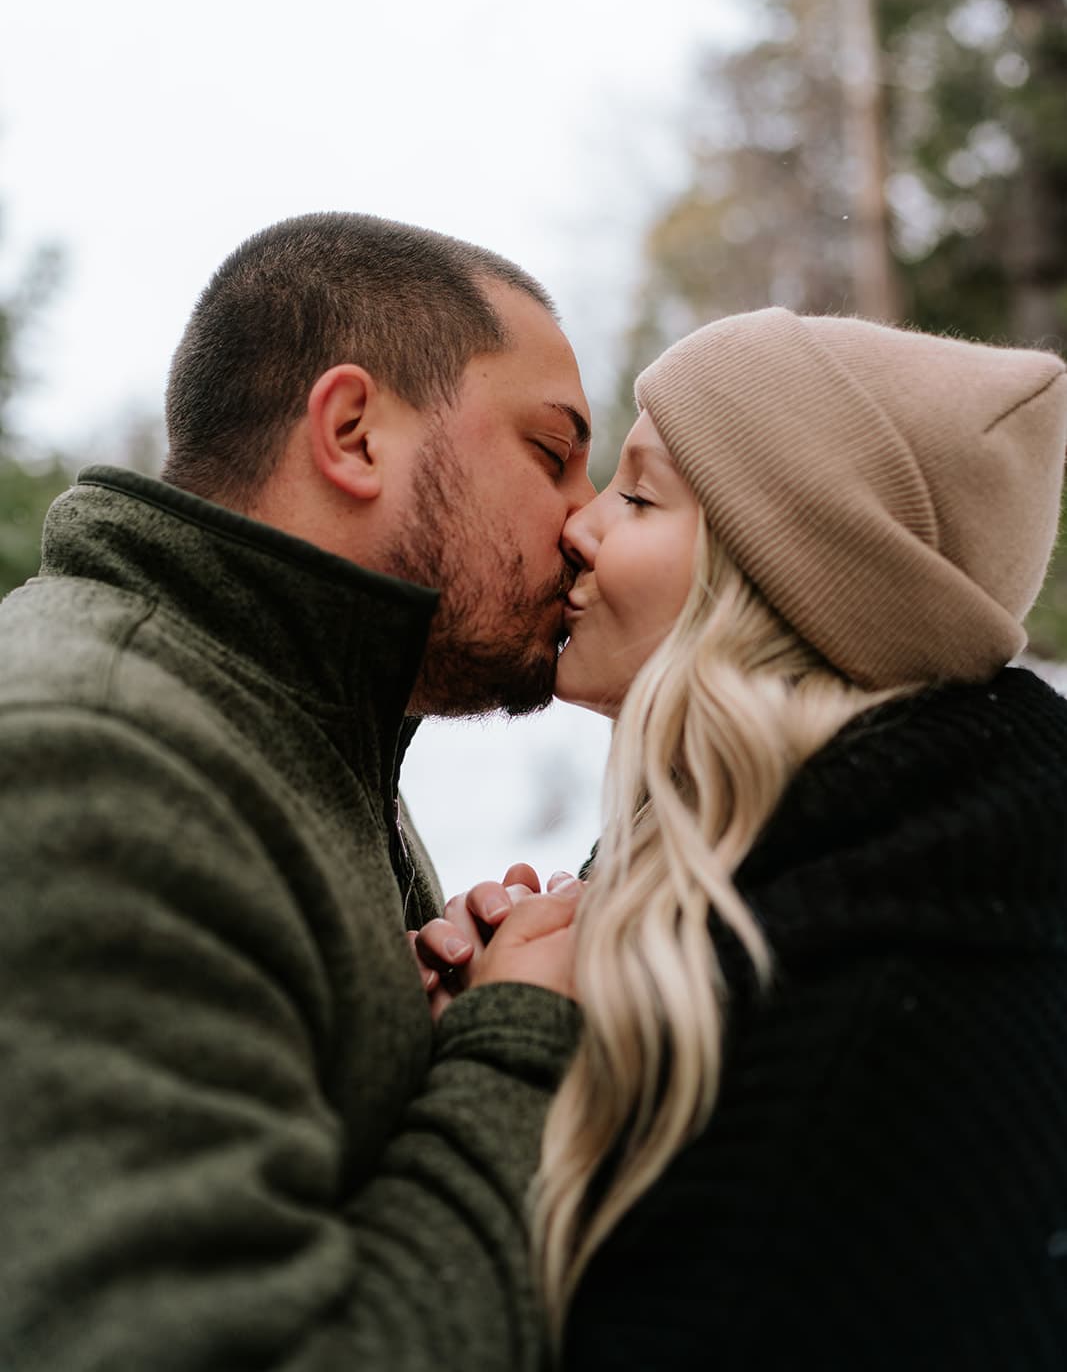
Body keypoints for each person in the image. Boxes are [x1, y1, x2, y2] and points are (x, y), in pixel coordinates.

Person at [0, 212, 594, 1372]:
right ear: (354, 432)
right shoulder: (94, 762)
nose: (584, 523)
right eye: (550, 451)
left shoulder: (291, 711)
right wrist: (520, 1047)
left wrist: (430, 1043)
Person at [531, 306, 1067, 1369]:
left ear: (783, 585)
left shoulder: (865, 1042)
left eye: (636, 494)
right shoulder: (808, 877)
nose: (579, 527)